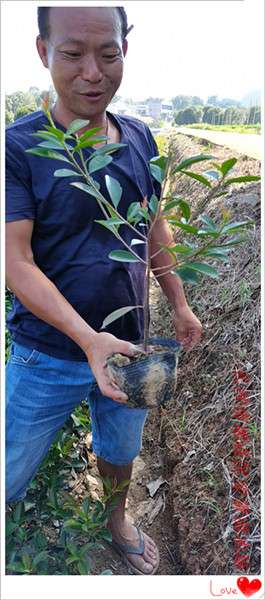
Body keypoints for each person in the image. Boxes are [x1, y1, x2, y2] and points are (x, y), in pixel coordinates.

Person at [5, 6, 202, 575]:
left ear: (125, 47)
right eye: (72, 54)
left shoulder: (140, 137)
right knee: (10, 465)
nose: (92, 72)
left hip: (134, 353)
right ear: (43, 51)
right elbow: (14, 261)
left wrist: (181, 302)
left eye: (108, 53)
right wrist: (88, 340)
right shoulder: (20, 149)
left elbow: (153, 226)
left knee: (120, 452)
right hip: (46, 353)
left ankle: (118, 521)